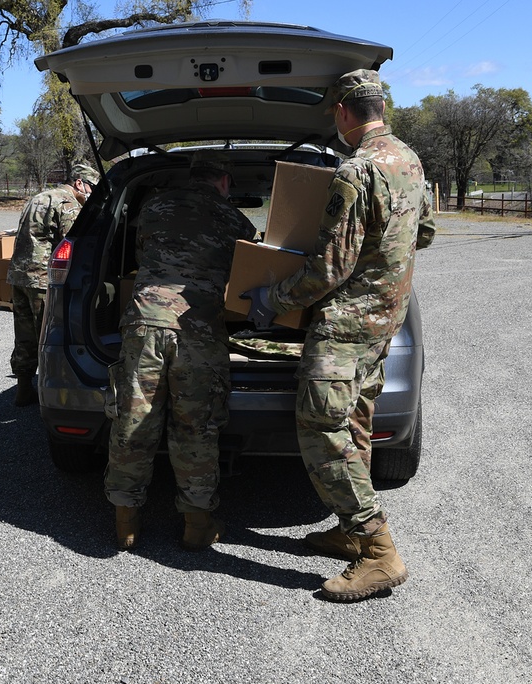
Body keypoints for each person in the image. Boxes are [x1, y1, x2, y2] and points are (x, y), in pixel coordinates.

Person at [241, 69, 436, 601]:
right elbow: (425, 235)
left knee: (319, 427)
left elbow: (328, 268)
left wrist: (270, 300)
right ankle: (353, 535)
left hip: (347, 325)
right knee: (355, 421)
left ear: (345, 112)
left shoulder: (355, 172)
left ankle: (378, 550)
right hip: (384, 321)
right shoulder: (410, 161)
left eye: (334, 113)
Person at [104, 151, 257, 551]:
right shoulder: (234, 220)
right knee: (195, 427)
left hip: (145, 321)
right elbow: (251, 271)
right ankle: (197, 525)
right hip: (199, 328)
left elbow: (138, 252)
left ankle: (126, 524)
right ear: (223, 181)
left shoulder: (153, 205)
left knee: (134, 421)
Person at [7, 163, 100, 406]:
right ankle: (53, 393)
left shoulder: (39, 197)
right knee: (48, 335)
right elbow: (73, 241)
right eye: (91, 187)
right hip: (41, 279)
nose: (91, 194)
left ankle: (23, 386)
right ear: (79, 183)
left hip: (18, 276)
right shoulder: (67, 203)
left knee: (24, 334)